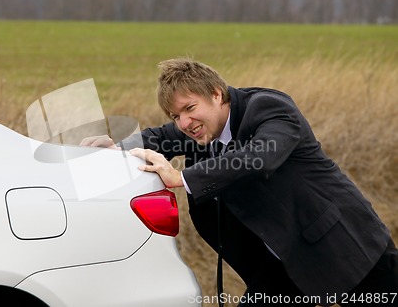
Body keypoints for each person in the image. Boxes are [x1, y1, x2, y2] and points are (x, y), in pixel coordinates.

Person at [81, 58, 398, 306]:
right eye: (176, 115)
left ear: (217, 94)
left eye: (189, 109)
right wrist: (116, 147)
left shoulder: (270, 109)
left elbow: (259, 156)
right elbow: (161, 136)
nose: (184, 123)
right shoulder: (199, 128)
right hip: (280, 269)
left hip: (347, 250)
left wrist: (181, 177)